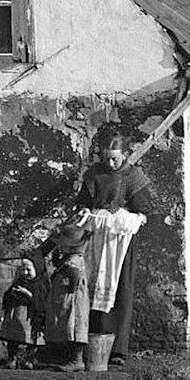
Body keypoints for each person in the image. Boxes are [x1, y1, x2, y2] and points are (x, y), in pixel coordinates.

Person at [74, 132, 148, 366]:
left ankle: (118, 349)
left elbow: (143, 210)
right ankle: (93, 341)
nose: (110, 163)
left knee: (121, 287)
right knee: (94, 285)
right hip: (95, 238)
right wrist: (85, 210)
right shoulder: (94, 175)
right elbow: (83, 202)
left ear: (124, 155)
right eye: (106, 158)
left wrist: (130, 217)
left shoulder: (132, 176)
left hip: (120, 240)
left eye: (115, 158)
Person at [43, 224, 90, 372]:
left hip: (73, 299)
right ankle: (72, 359)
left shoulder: (73, 261)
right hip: (71, 297)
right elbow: (59, 264)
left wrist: (72, 290)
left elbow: (75, 275)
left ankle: (77, 361)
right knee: (69, 328)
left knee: (75, 328)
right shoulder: (69, 258)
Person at [0, 259, 39, 369]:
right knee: (12, 339)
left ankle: (27, 359)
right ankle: (12, 359)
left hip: (30, 316)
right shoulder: (17, 283)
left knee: (30, 340)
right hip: (15, 314)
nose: (25, 273)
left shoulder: (38, 284)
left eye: (28, 270)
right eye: (22, 270)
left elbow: (40, 300)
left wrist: (27, 293)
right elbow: (8, 296)